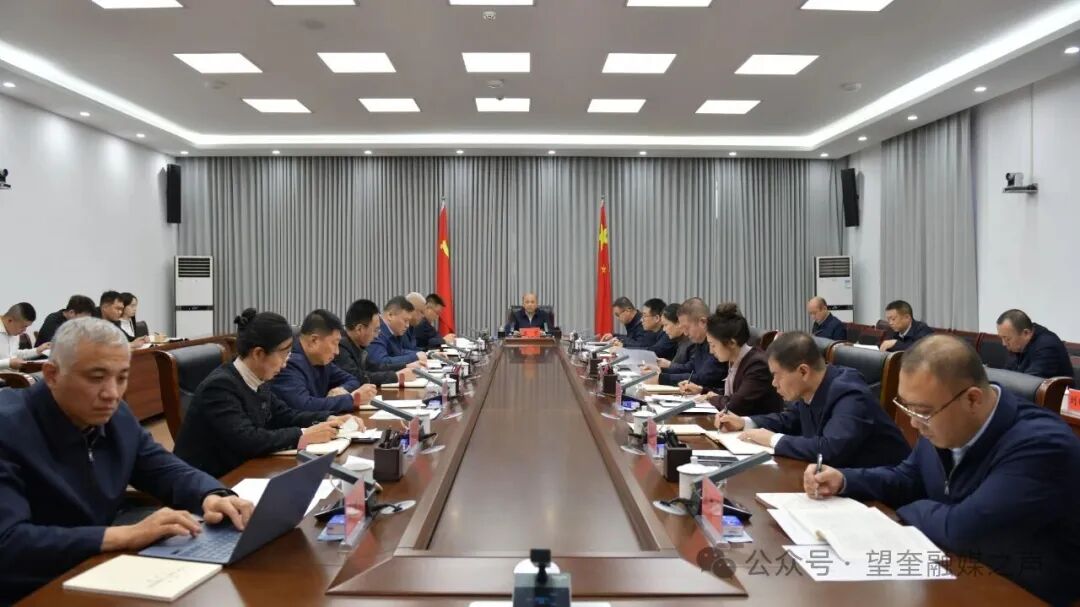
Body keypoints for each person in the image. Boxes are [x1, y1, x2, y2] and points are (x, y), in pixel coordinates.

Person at [804, 335, 1080, 605]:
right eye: (907, 407)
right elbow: (908, 478)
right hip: (954, 567)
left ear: (972, 400)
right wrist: (844, 480)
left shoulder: (1042, 445)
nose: (914, 423)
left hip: (1021, 589)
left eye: (921, 411)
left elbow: (964, 529)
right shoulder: (943, 417)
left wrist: (907, 509)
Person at [0, 318, 253, 603]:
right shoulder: (8, 428)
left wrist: (211, 494)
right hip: (31, 588)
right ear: (52, 374)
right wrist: (124, 536)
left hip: (95, 569)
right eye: (96, 378)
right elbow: (8, 544)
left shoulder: (115, 414)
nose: (112, 394)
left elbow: (162, 467)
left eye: (121, 378)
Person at [175, 309, 363, 478]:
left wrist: (329, 418)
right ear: (258, 354)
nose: (286, 363)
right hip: (210, 481)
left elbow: (286, 415)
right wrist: (304, 434)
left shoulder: (259, 380)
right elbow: (249, 439)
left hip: (243, 470)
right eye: (283, 354)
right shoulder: (220, 387)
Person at [716, 331, 910, 467]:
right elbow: (790, 420)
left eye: (776, 375)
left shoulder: (849, 393)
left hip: (886, 499)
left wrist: (773, 439)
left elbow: (830, 449)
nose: (774, 383)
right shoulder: (813, 388)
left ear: (803, 371)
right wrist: (744, 422)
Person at [680, 303, 783, 417]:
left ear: (732, 343)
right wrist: (701, 390)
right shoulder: (736, 360)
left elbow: (734, 405)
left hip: (759, 426)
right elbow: (733, 395)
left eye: (713, 345)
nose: (711, 351)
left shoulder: (757, 365)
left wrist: (711, 398)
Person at [270, 309, 377, 413]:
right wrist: (352, 400)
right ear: (314, 340)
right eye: (334, 343)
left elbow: (352, 379)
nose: (337, 352)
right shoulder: (288, 362)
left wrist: (342, 389)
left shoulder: (321, 360)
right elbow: (304, 405)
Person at [335, 299, 418, 385]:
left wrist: (405, 366)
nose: (377, 336)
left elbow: (375, 367)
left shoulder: (357, 345)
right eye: (375, 330)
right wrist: (396, 376)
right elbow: (357, 377)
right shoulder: (340, 346)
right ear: (359, 329)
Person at [658, 298, 727, 393]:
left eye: (687, 328)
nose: (685, 333)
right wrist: (661, 371)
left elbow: (704, 378)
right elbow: (691, 367)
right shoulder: (700, 341)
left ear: (703, 322)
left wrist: (662, 378)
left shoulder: (718, 342)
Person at [996, 309, 1073, 378]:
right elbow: (1006, 374)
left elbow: (1030, 382)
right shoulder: (1018, 346)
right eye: (1001, 338)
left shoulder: (1047, 346)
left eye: (1007, 339)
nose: (1004, 343)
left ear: (1026, 333)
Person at [368, 296, 428, 367]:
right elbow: (380, 362)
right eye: (405, 321)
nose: (407, 325)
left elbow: (399, 352)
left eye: (408, 321)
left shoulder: (394, 331)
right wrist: (415, 356)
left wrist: (420, 354)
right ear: (390, 315)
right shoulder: (377, 330)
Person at [1, 302, 47, 371]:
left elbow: (14, 354)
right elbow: (10, 361)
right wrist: (8, 363)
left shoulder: (13, 332)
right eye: (23, 326)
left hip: (15, 375)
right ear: (10, 320)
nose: (25, 330)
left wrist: (37, 350)